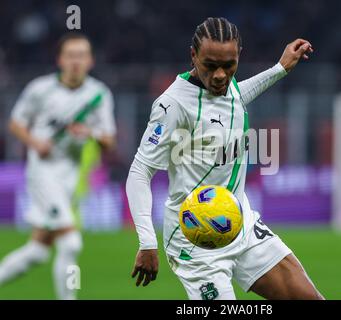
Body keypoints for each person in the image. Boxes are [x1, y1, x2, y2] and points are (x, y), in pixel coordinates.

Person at [126, 17, 324, 300]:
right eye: (210, 66)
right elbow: (139, 171)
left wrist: (280, 69)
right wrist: (147, 242)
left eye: (228, 65)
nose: (220, 75)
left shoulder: (224, 86)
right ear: (193, 56)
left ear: (238, 56)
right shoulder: (173, 106)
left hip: (239, 224)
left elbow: (236, 95)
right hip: (196, 238)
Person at [0, 33, 116, 300]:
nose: (76, 61)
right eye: (71, 55)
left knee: (37, 252)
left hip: (70, 176)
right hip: (43, 171)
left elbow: (108, 141)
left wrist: (90, 133)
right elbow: (16, 122)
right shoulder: (40, 89)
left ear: (91, 61)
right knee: (71, 242)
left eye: (81, 55)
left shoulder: (98, 94)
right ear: (60, 60)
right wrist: (34, 142)